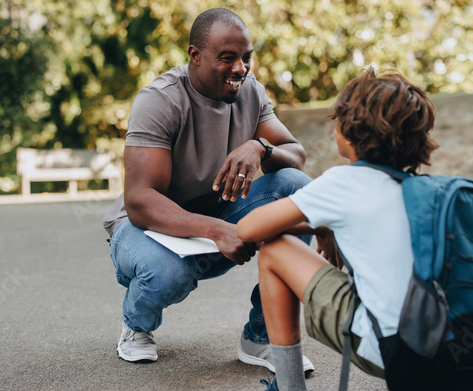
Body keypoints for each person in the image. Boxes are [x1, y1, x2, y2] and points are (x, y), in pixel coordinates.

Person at [101, 8, 314, 374]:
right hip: (146, 229)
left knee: (298, 193)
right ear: (195, 56)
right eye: (227, 58)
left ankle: (262, 339)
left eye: (246, 57)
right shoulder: (160, 100)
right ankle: (137, 325)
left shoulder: (250, 91)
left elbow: (296, 154)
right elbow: (139, 201)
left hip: (219, 216)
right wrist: (218, 231)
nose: (240, 68)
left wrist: (261, 147)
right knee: (167, 274)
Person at [236, 68, 438, 391]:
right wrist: (323, 223)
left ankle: (289, 387)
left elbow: (247, 227)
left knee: (276, 249)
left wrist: (318, 220)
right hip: (444, 347)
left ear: (350, 133)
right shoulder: (426, 190)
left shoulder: (343, 182)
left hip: (389, 351)